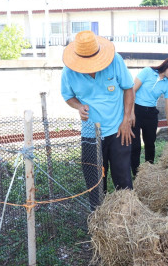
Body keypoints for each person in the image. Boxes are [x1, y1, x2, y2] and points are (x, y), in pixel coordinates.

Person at [61, 30, 134, 210]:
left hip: (119, 130)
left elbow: (128, 88)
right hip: (90, 133)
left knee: (123, 177)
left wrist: (126, 120)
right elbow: (68, 96)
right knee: (95, 180)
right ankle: (98, 215)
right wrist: (78, 106)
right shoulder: (69, 71)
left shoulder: (115, 60)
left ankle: (127, 213)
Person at [131, 56, 168, 177]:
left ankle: (149, 173)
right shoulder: (147, 71)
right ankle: (136, 175)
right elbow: (132, 90)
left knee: (150, 144)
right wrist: (131, 113)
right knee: (135, 146)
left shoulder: (167, 85)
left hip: (151, 114)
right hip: (136, 110)